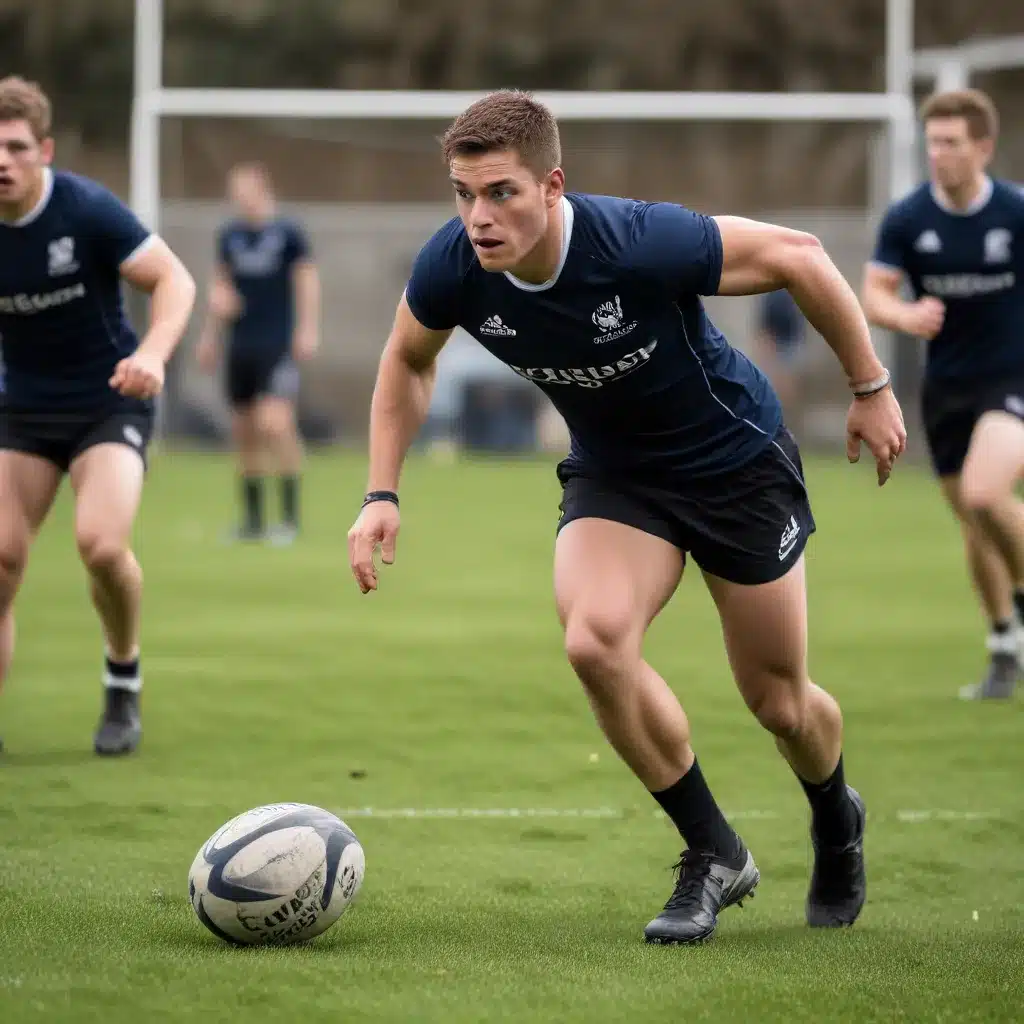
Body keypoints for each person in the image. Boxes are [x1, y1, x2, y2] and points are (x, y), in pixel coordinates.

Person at [348, 90, 906, 944]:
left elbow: (799, 255)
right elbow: (407, 360)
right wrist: (380, 494)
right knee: (594, 641)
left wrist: (870, 386)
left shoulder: (638, 241)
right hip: (618, 477)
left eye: (500, 193)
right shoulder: (453, 267)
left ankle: (836, 816)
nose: (478, 217)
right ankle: (713, 851)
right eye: (463, 194)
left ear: (552, 187)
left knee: (779, 702)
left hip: (735, 466)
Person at [0, 76, 196, 755]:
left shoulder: (85, 211)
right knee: (2, 557)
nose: (3, 161)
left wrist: (153, 355)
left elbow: (174, 279)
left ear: (45, 151)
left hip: (108, 400)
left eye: (16, 147)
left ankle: (123, 674)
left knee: (102, 545)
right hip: (20, 409)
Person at [862, 88, 1024, 701]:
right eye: (933, 142)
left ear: (983, 148)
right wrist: (906, 316)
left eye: (952, 143)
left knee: (986, 492)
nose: (939, 154)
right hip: (946, 387)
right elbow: (874, 296)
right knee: (974, 521)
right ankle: (1005, 641)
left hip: (1011, 380)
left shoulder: (1014, 212)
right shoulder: (908, 219)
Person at [197, 162, 320, 545]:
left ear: (263, 189)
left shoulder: (288, 233)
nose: (240, 198)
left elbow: (306, 280)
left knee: (275, 423)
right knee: (245, 432)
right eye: (235, 192)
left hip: (276, 343)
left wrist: (307, 328)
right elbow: (220, 285)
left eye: (245, 190)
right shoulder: (229, 236)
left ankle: (289, 519)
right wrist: (210, 335)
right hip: (240, 345)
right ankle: (252, 522)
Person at [753, 287, 807, 426]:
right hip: (776, 343)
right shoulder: (773, 295)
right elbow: (765, 323)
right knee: (778, 383)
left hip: (790, 343)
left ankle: (786, 419)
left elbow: (798, 323)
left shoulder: (791, 293)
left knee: (786, 384)